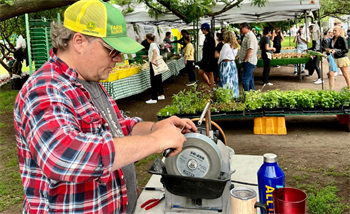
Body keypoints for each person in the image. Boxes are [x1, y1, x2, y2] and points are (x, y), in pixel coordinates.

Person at [13, 1, 198, 213]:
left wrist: (155, 128)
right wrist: (155, 141)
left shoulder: (91, 81)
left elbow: (118, 127)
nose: (119, 59)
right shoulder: (45, 88)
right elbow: (63, 156)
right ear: (80, 42)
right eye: (112, 51)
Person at [327, 26, 350, 90]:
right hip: (334, 59)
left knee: (345, 74)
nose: (334, 32)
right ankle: (331, 91)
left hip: (342, 58)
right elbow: (331, 48)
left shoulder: (342, 39)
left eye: (335, 30)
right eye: (333, 30)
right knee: (331, 74)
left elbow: (346, 50)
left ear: (339, 31)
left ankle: (349, 88)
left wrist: (336, 51)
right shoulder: (332, 39)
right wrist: (329, 50)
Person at [218, 31, 239, 98]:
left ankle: (226, 95)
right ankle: (234, 95)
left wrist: (218, 62)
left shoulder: (226, 45)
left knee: (225, 80)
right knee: (233, 80)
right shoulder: (235, 45)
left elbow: (222, 56)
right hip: (232, 63)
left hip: (226, 64)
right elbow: (235, 55)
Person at [145, 34, 165, 104]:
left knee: (153, 81)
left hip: (154, 63)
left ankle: (154, 98)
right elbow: (155, 52)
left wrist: (152, 60)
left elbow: (155, 52)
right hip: (158, 62)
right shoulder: (156, 44)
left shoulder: (152, 45)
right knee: (159, 79)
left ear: (148, 39)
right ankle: (161, 94)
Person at [238, 22, 258, 92]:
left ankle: (246, 95)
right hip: (249, 61)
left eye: (241, 28)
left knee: (245, 79)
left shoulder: (250, 36)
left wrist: (245, 60)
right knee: (250, 79)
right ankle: (252, 95)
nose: (240, 30)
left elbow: (250, 49)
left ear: (246, 28)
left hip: (249, 61)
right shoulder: (247, 36)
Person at [198, 23, 216, 88]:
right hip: (205, 59)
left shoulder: (210, 37)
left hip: (209, 59)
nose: (202, 31)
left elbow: (211, 50)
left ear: (205, 29)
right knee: (200, 72)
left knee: (210, 74)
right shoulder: (207, 37)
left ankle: (211, 88)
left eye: (202, 29)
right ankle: (210, 84)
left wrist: (209, 61)